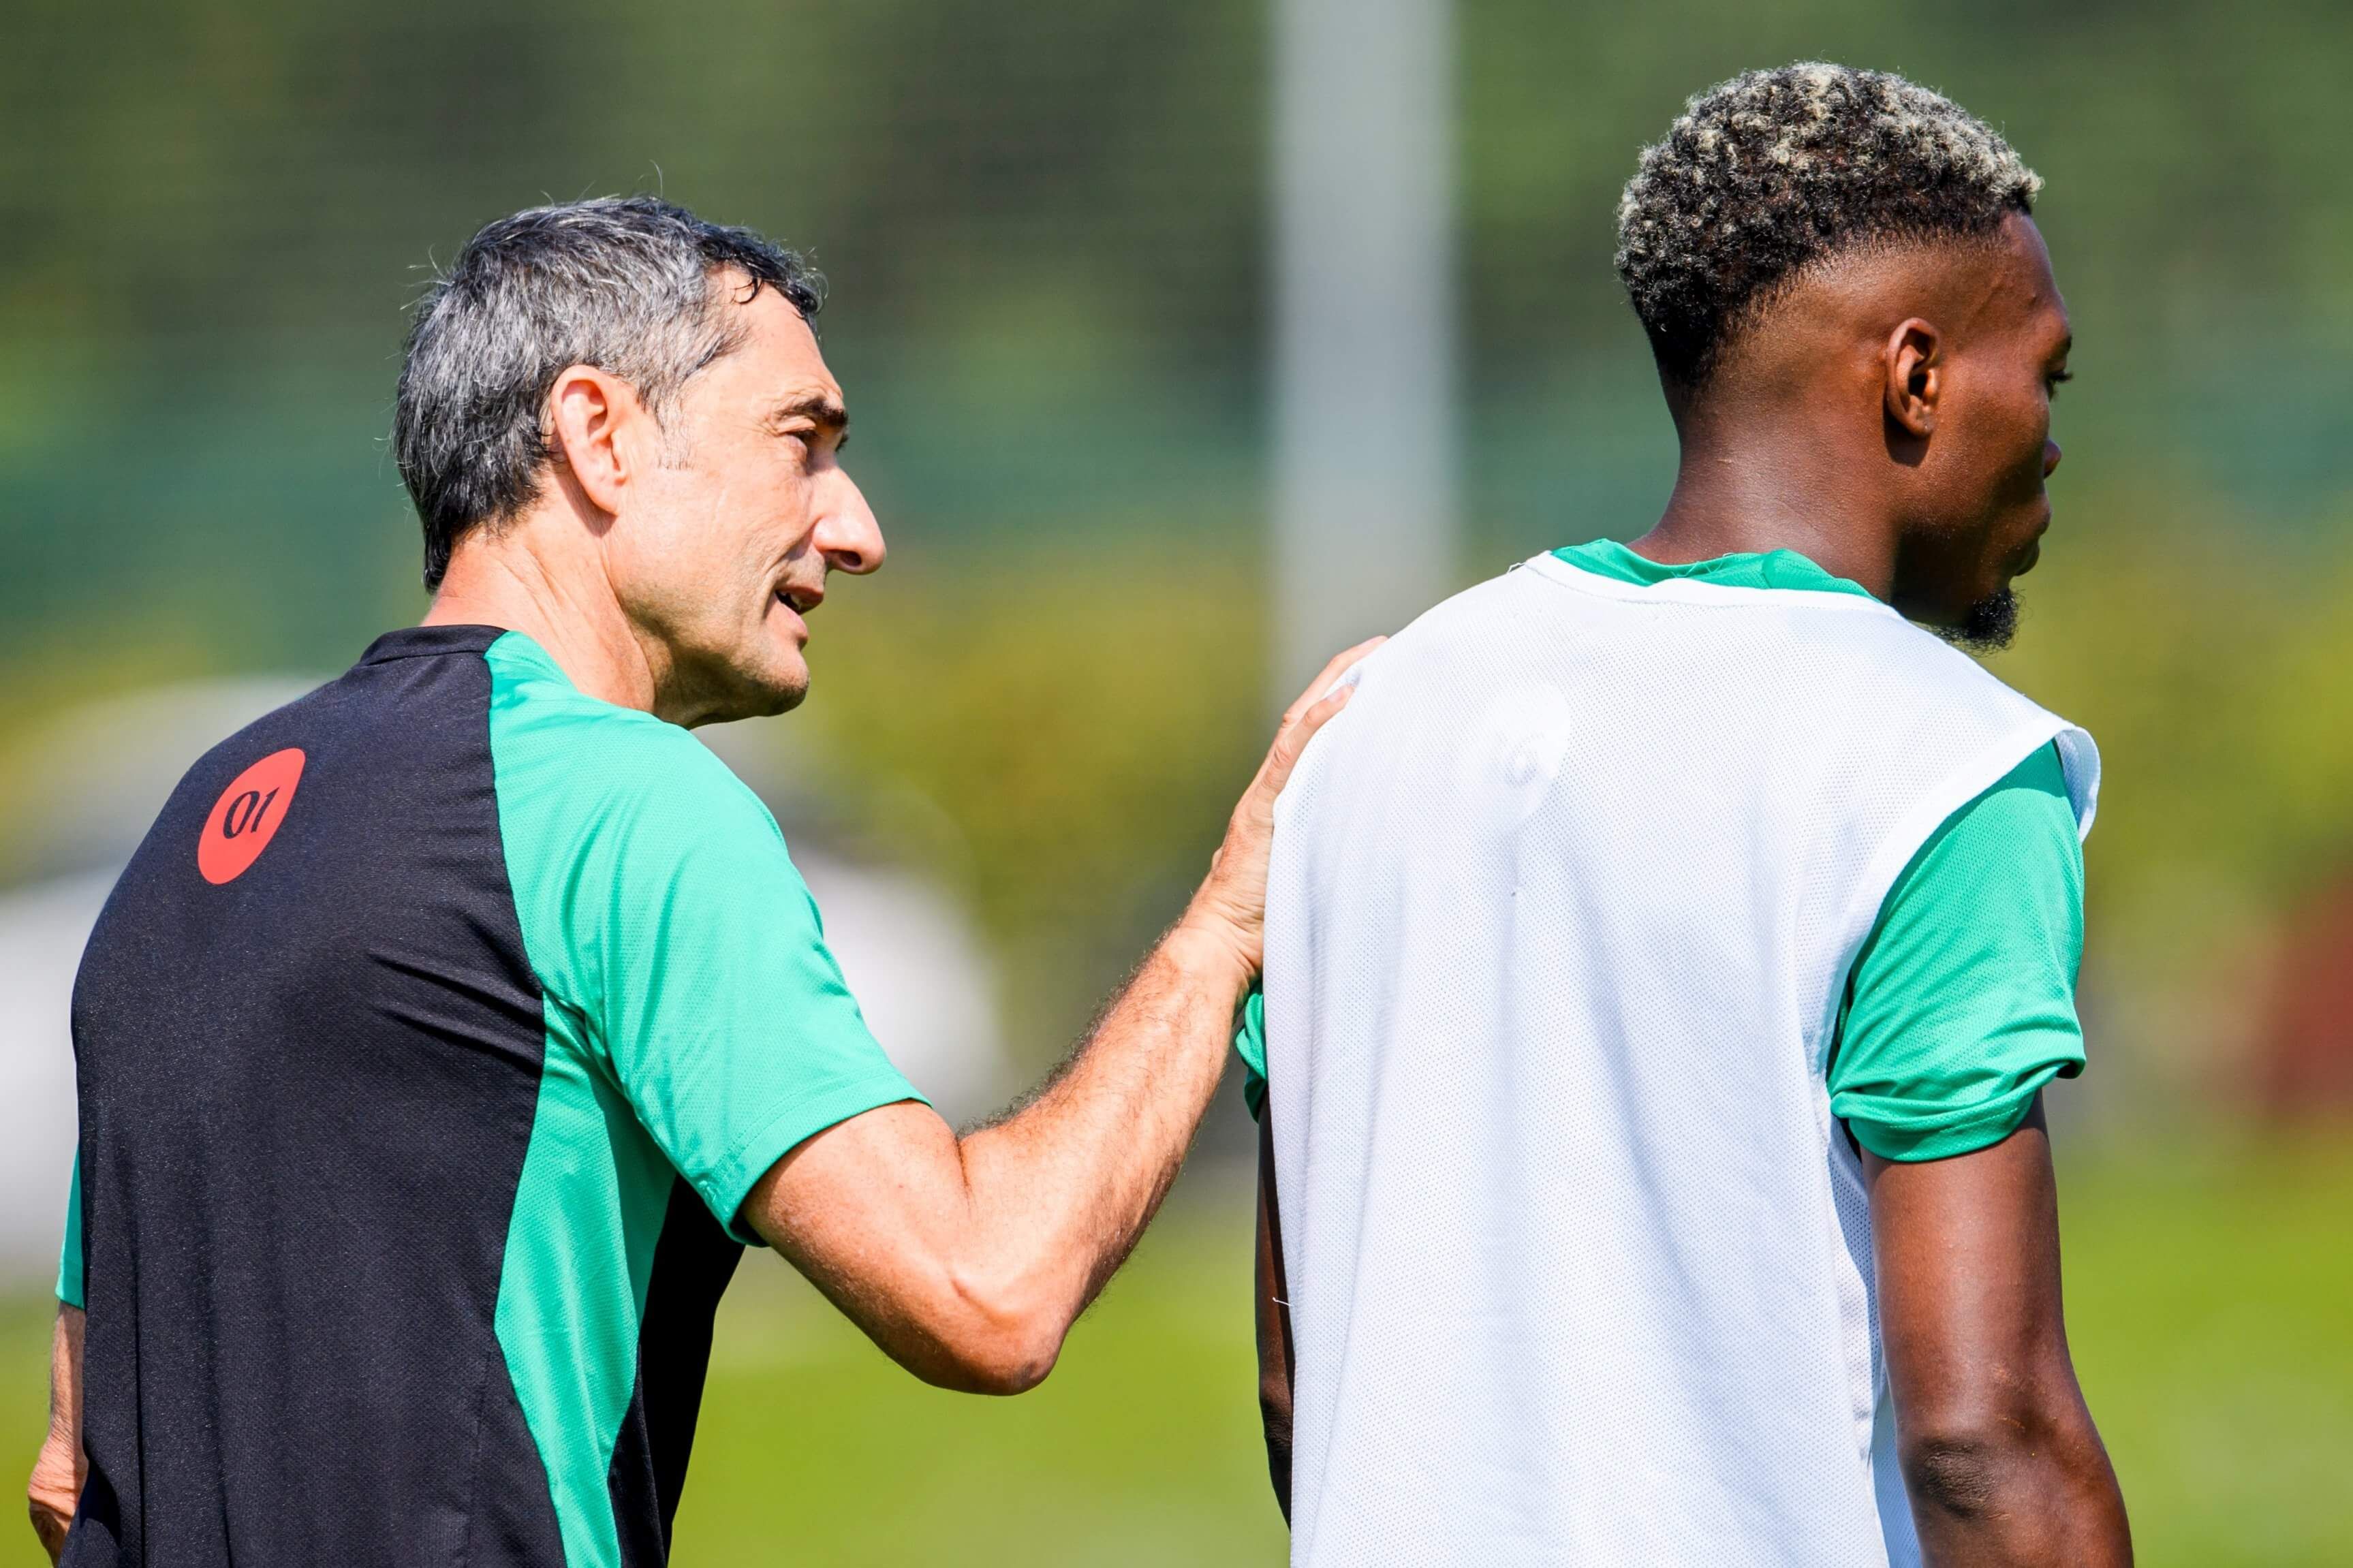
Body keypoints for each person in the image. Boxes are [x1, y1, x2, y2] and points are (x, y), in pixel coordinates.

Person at [27, 196, 1374, 1567]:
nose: (853, 529)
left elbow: (73, 1469)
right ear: (598, 435)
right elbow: (987, 1284)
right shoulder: (620, 804)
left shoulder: (197, 824)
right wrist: (1223, 927)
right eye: (802, 444)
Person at [1241, 65, 2133, 1566]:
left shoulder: (1363, 730)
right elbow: (1984, 1433)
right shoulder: (1938, 765)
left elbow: (1297, 1378)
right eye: (2041, 372)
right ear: (1913, 375)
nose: (2049, 433)